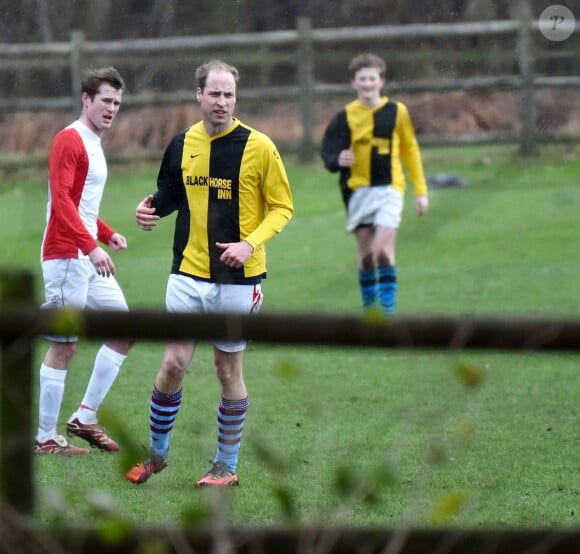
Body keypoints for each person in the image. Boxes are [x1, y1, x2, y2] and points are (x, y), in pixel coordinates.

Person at [125, 60, 294, 487]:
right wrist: (150, 210)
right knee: (172, 363)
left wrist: (249, 243)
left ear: (236, 99)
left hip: (239, 280)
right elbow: (169, 193)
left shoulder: (260, 146)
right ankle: (157, 454)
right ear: (198, 95)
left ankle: (226, 466)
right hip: (186, 271)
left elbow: (283, 208)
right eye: (214, 93)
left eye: (229, 94)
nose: (222, 101)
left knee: (226, 371)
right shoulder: (182, 143)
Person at [35, 66, 134, 455]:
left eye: (117, 103)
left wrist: (105, 233)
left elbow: (82, 205)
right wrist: (92, 247)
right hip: (65, 255)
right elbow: (61, 202)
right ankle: (45, 439)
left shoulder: (94, 141)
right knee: (65, 344)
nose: (111, 109)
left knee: (124, 329)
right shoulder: (69, 140)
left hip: (87, 253)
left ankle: (84, 418)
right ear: (86, 99)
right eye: (106, 101)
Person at [321, 53, 429, 316]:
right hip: (357, 190)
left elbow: (410, 149)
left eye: (372, 78)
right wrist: (338, 159)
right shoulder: (344, 116)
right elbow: (328, 152)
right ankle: (371, 312)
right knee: (367, 257)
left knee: (382, 250)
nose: (368, 84)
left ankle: (388, 314)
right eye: (362, 79)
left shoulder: (396, 112)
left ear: (382, 81)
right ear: (353, 83)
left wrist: (421, 191)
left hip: (391, 188)